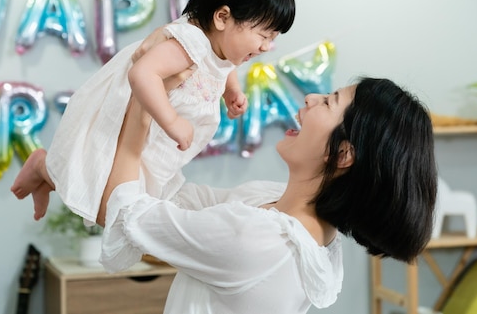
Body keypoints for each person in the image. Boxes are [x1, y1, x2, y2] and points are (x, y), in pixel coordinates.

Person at [85, 75, 438, 314]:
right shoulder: (286, 214)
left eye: (330, 102)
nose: (312, 98)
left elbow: (129, 213)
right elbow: (174, 197)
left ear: (343, 154)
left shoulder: (260, 238)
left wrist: (143, 101)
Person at [11, 0, 296, 221]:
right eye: (264, 35)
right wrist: (171, 121)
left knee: (124, 208)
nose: (267, 47)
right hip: (129, 124)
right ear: (222, 17)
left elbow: (222, 66)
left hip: (153, 142)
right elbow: (142, 73)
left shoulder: (218, 46)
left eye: (273, 38)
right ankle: (42, 167)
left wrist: (231, 90)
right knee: (107, 209)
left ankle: (45, 172)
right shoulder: (188, 43)